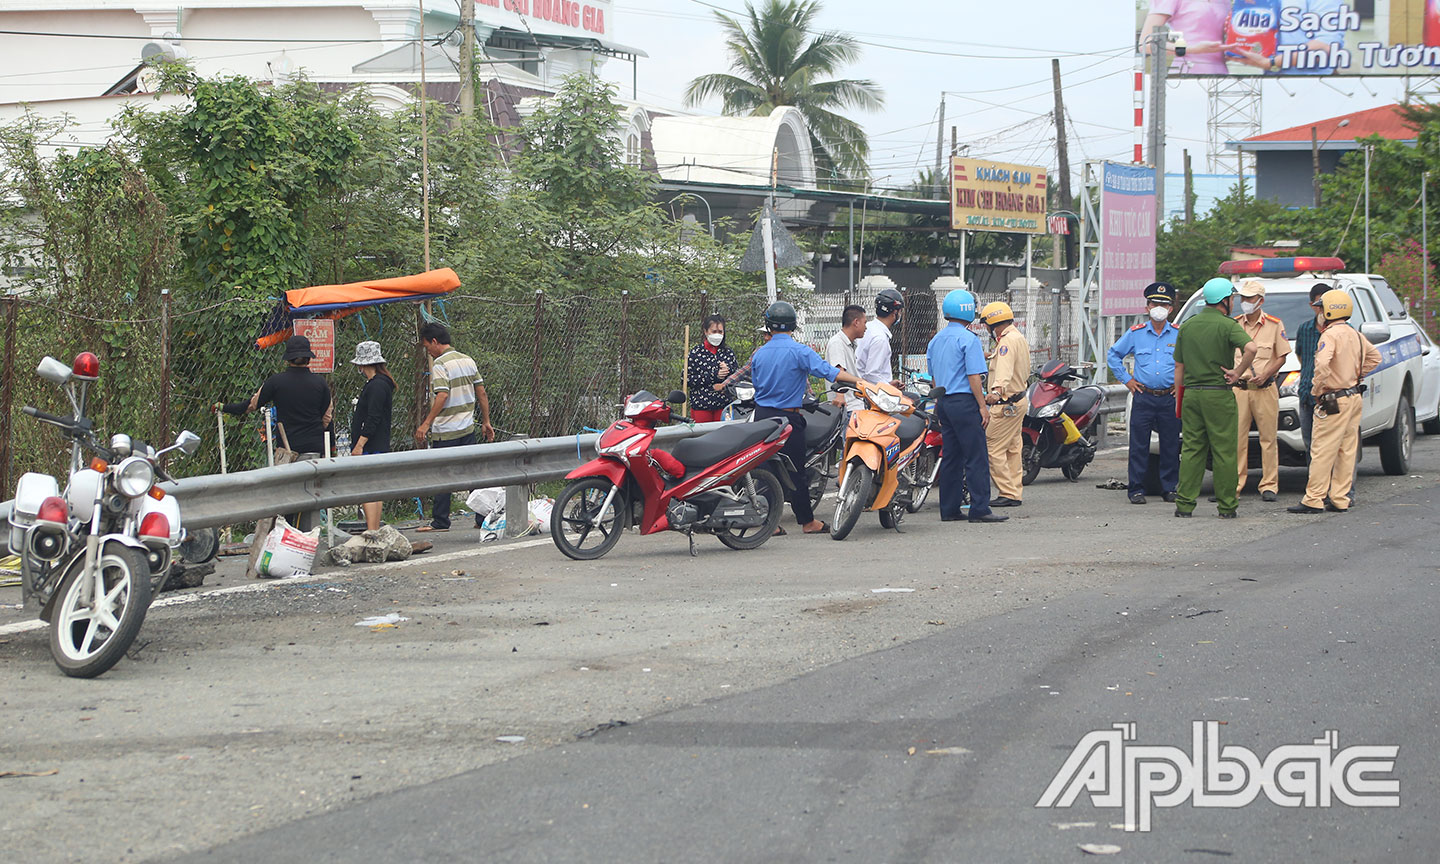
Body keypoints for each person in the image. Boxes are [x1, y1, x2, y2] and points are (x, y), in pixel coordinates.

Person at [750, 300, 861, 534]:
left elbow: (757, 385)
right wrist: (859, 381)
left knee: (766, 468)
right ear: (793, 325)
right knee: (795, 471)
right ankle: (807, 522)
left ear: (769, 326)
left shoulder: (759, 354)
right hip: (787, 420)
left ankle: (767, 521)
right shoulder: (799, 351)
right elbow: (829, 372)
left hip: (761, 417)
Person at [220, 333, 334, 531]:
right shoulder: (320, 383)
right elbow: (327, 418)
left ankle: (286, 535)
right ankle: (308, 539)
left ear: (288, 358)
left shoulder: (276, 382)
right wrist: (327, 445)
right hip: (314, 449)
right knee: (310, 498)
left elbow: (251, 405)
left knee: (287, 497)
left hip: (287, 450)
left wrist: (224, 407)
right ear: (309, 358)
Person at [1173, 277, 1260, 519]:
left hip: (1191, 394)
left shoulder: (1187, 326)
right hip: (1218, 394)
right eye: (1231, 298)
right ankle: (1227, 506)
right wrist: (1238, 372)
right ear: (1224, 300)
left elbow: (1179, 367)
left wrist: (1180, 398)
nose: (1233, 302)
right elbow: (1251, 349)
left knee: (1192, 449)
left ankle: (1184, 505)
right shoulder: (1227, 325)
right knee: (1224, 451)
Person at [1288, 290, 1380, 514]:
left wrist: (1318, 389)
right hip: (1354, 396)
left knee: (1322, 449)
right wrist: (1357, 375)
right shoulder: (1355, 334)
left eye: (1321, 308)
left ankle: (1314, 498)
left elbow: (1321, 365)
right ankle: (1340, 498)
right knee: (1346, 450)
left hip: (1333, 399)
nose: (1319, 311)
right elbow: (1375, 357)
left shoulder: (1329, 335)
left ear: (1329, 311)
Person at [926, 289, 1006, 524]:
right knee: (976, 456)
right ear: (968, 311)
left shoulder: (936, 340)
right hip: (964, 402)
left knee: (951, 457)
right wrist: (982, 406)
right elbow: (974, 377)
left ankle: (949, 509)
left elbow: (934, 378)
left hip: (944, 402)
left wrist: (939, 403)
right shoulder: (969, 339)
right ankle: (980, 508)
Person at [1107, 281, 1181, 505]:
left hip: (1169, 397)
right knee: (1139, 446)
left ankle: (1169, 488)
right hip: (1144, 396)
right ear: (1147, 307)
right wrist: (1127, 380)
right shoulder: (1135, 333)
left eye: (1164, 305)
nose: (1159, 308)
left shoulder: (1179, 334)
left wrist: (1182, 383)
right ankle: (1136, 489)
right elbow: (1113, 355)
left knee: (1170, 445)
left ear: (1170, 309)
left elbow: (1189, 360)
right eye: (1154, 304)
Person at [415, 322, 494, 532]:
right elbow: (481, 392)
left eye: (427, 346)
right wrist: (486, 421)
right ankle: (482, 518)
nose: (428, 351)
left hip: (446, 430)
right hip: (467, 427)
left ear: (434, 341)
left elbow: (442, 395)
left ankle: (441, 521)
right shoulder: (467, 360)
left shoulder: (440, 364)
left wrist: (426, 423)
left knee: (443, 475)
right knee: (473, 475)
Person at [1232, 280, 1291, 502]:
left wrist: (1266, 374)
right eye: (1243, 298)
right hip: (1240, 389)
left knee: (1268, 438)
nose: (1245, 302)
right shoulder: (1235, 324)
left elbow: (1282, 356)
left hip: (1265, 389)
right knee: (1237, 439)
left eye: (1250, 298)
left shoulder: (1274, 325)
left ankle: (1269, 485)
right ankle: (1235, 484)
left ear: (1260, 301)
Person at [980, 301, 1030, 508]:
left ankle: (1007, 492)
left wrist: (996, 392)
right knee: (1012, 448)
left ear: (993, 323)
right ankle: (1014, 492)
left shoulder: (1006, 343)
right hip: (1019, 400)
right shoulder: (1017, 337)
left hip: (1005, 404)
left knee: (992, 447)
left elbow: (1005, 369)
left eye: (986, 324)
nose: (986, 328)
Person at [348, 341, 395, 531]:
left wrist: (360, 444)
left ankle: (372, 529)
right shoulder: (381, 384)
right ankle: (373, 530)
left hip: (371, 445)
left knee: (367, 488)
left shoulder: (376, 386)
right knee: (375, 488)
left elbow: (373, 417)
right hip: (378, 443)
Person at [1139, 0, 1231, 75]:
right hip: (1186, 75)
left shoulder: (1226, 2)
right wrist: (1191, 49)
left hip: (1222, 77)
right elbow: (1145, 44)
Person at [686, 315, 740, 423]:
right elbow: (687, 380)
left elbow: (737, 376)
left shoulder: (728, 353)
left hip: (724, 406)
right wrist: (714, 375)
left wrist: (728, 371)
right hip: (702, 406)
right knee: (703, 433)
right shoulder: (695, 353)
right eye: (714, 331)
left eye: (720, 332)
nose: (717, 335)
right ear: (706, 331)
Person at [855, 287, 904, 386]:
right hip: (874, 391)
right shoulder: (880, 338)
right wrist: (889, 387)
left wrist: (888, 383)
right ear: (895, 312)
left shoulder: (868, 327)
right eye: (900, 311)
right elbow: (871, 375)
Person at [826, 305, 867, 411]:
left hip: (856, 403)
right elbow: (838, 373)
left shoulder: (851, 344)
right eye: (864, 323)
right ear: (856, 322)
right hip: (847, 407)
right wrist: (840, 396)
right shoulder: (837, 343)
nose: (866, 327)